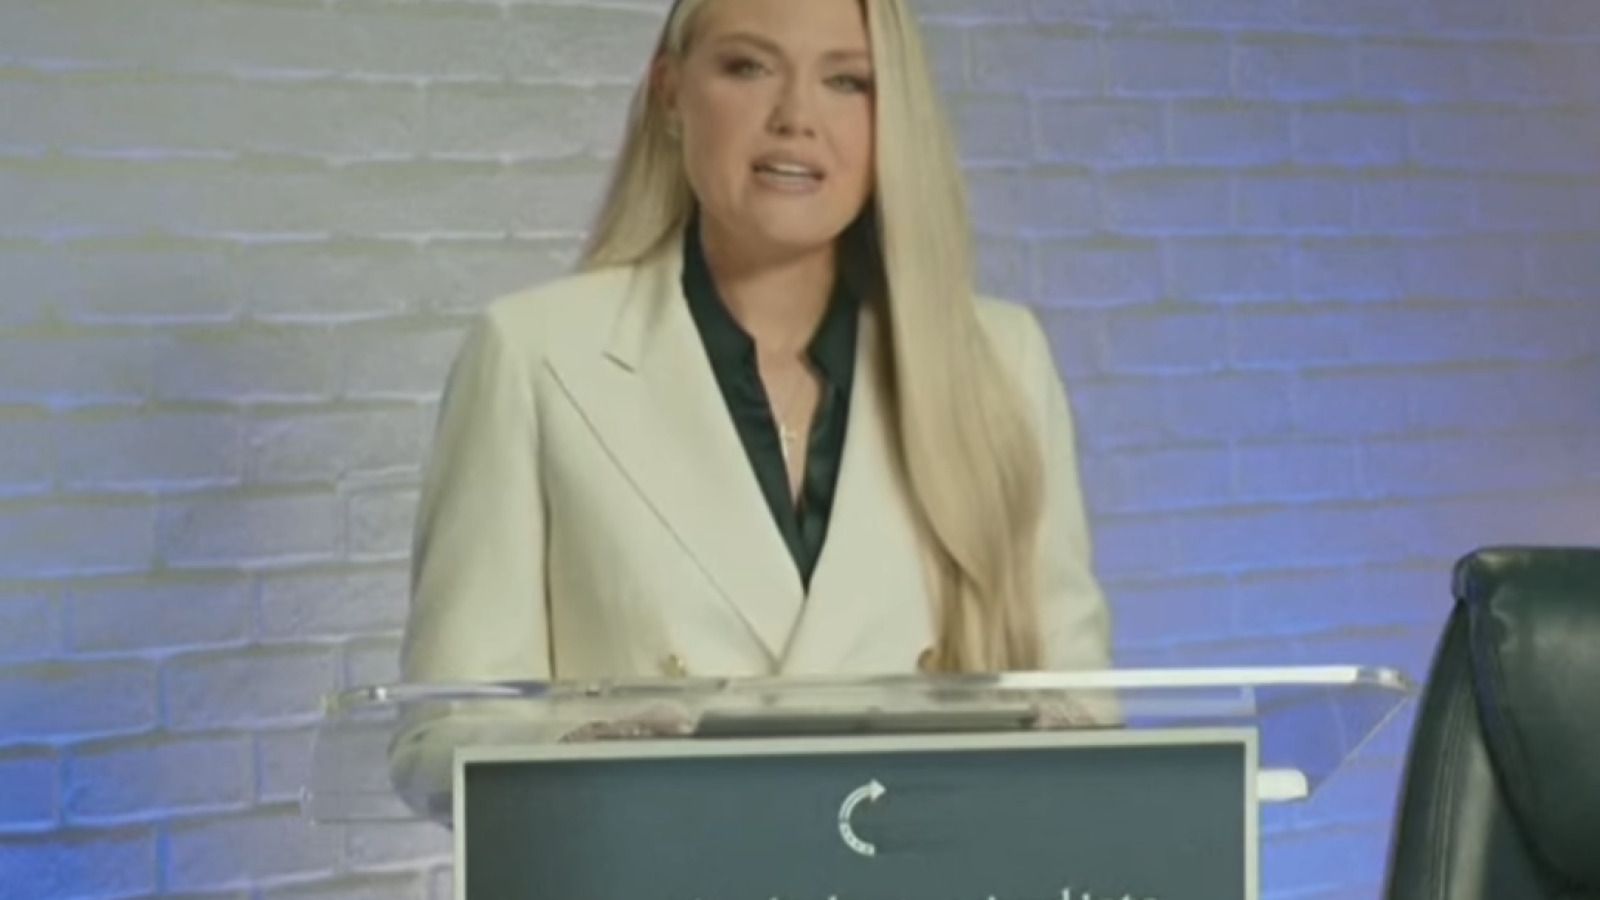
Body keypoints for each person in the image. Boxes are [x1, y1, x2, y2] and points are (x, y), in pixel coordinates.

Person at [398, 0, 1109, 725]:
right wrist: (592, 758)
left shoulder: (1000, 360)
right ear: (671, 95)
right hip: (653, 808)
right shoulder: (534, 355)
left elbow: (1084, 708)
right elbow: (449, 725)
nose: (796, 117)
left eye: (846, 81)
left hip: (926, 809)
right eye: (749, 67)